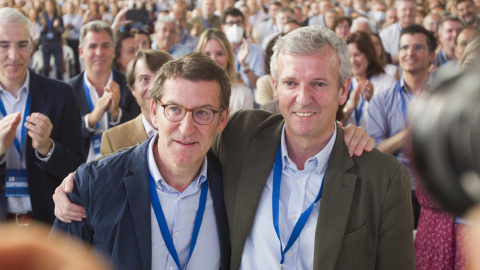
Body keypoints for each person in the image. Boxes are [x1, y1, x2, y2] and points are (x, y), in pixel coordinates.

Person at [52, 53, 232, 270]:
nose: (186, 128)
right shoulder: (93, 184)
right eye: (174, 109)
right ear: (155, 112)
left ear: (222, 120)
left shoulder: (233, 186)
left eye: (203, 113)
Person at [0, 8, 84, 225]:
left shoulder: (61, 94)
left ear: (31, 45)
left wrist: (48, 148)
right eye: (3, 45)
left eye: (21, 45)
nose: (13, 55)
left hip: (48, 223)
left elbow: (78, 168)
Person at [368, 24, 437, 229]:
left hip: (437, 190)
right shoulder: (382, 99)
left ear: (431, 55)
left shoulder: (446, 96)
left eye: (418, 47)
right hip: (399, 188)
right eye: (405, 48)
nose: (410, 53)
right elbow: (375, 149)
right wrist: (409, 132)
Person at [67, 21, 140, 161]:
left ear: (113, 50)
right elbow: (64, 137)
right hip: (80, 173)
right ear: (81, 52)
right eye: (92, 46)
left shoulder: (131, 86)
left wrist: (116, 115)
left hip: (122, 170)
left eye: (105, 46)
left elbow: (140, 135)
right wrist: (90, 120)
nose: (99, 53)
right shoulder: (67, 90)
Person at [100, 50, 172, 155]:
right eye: (144, 79)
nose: (152, 87)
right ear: (133, 89)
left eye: (160, 78)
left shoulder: (190, 131)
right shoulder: (112, 140)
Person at [343, 31, 396, 128]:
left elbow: (393, 123)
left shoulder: (387, 82)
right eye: (349, 56)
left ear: (369, 55)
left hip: (377, 142)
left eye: (357, 55)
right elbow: (335, 126)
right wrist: (349, 108)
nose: (353, 61)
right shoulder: (343, 83)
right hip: (347, 142)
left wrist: (373, 102)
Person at [197, 29, 253, 114]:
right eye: (207, 54)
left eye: (219, 54)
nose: (213, 60)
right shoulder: (189, 92)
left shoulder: (243, 94)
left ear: (228, 58)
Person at [222, 7, 264, 91]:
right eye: (230, 23)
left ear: (244, 26)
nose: (235, 26)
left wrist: (245, 65)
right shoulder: (217, 52)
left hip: (250, 100)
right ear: (223, 28)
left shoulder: (257, 50)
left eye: (238, 22)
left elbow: (259, 85)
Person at [380, 0, 416, 65]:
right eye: (404, 9)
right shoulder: (386, 34)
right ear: (398, 13)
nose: (408, 12)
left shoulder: (423, 33)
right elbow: (383, 59)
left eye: (412, 9)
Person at [39, 0, 64, 80]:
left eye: (51, 5)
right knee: (46, 67)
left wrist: (57, 27)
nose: (49, 6)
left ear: (53, 6)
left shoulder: (59, 18)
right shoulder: (42, 17)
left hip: (56, 43)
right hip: (46, 44)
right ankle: (46, 86)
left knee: (59, 67)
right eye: (48, 5)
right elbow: (40, 31)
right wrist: (43, 25)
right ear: (45, 7)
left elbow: (61, 31)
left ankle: (60, 84)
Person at [62, 1, 83, 76]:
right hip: (66, 41)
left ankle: (78, 75)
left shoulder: (78, 17)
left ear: (73, 8)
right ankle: (69, 75)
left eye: (71, 7)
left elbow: (81, 29)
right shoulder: (63, 18)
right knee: (68, 60)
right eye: (68, 7)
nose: (70, 9)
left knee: (76, 59)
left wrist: (74, 26)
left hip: (75, 41)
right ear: (65, 8)